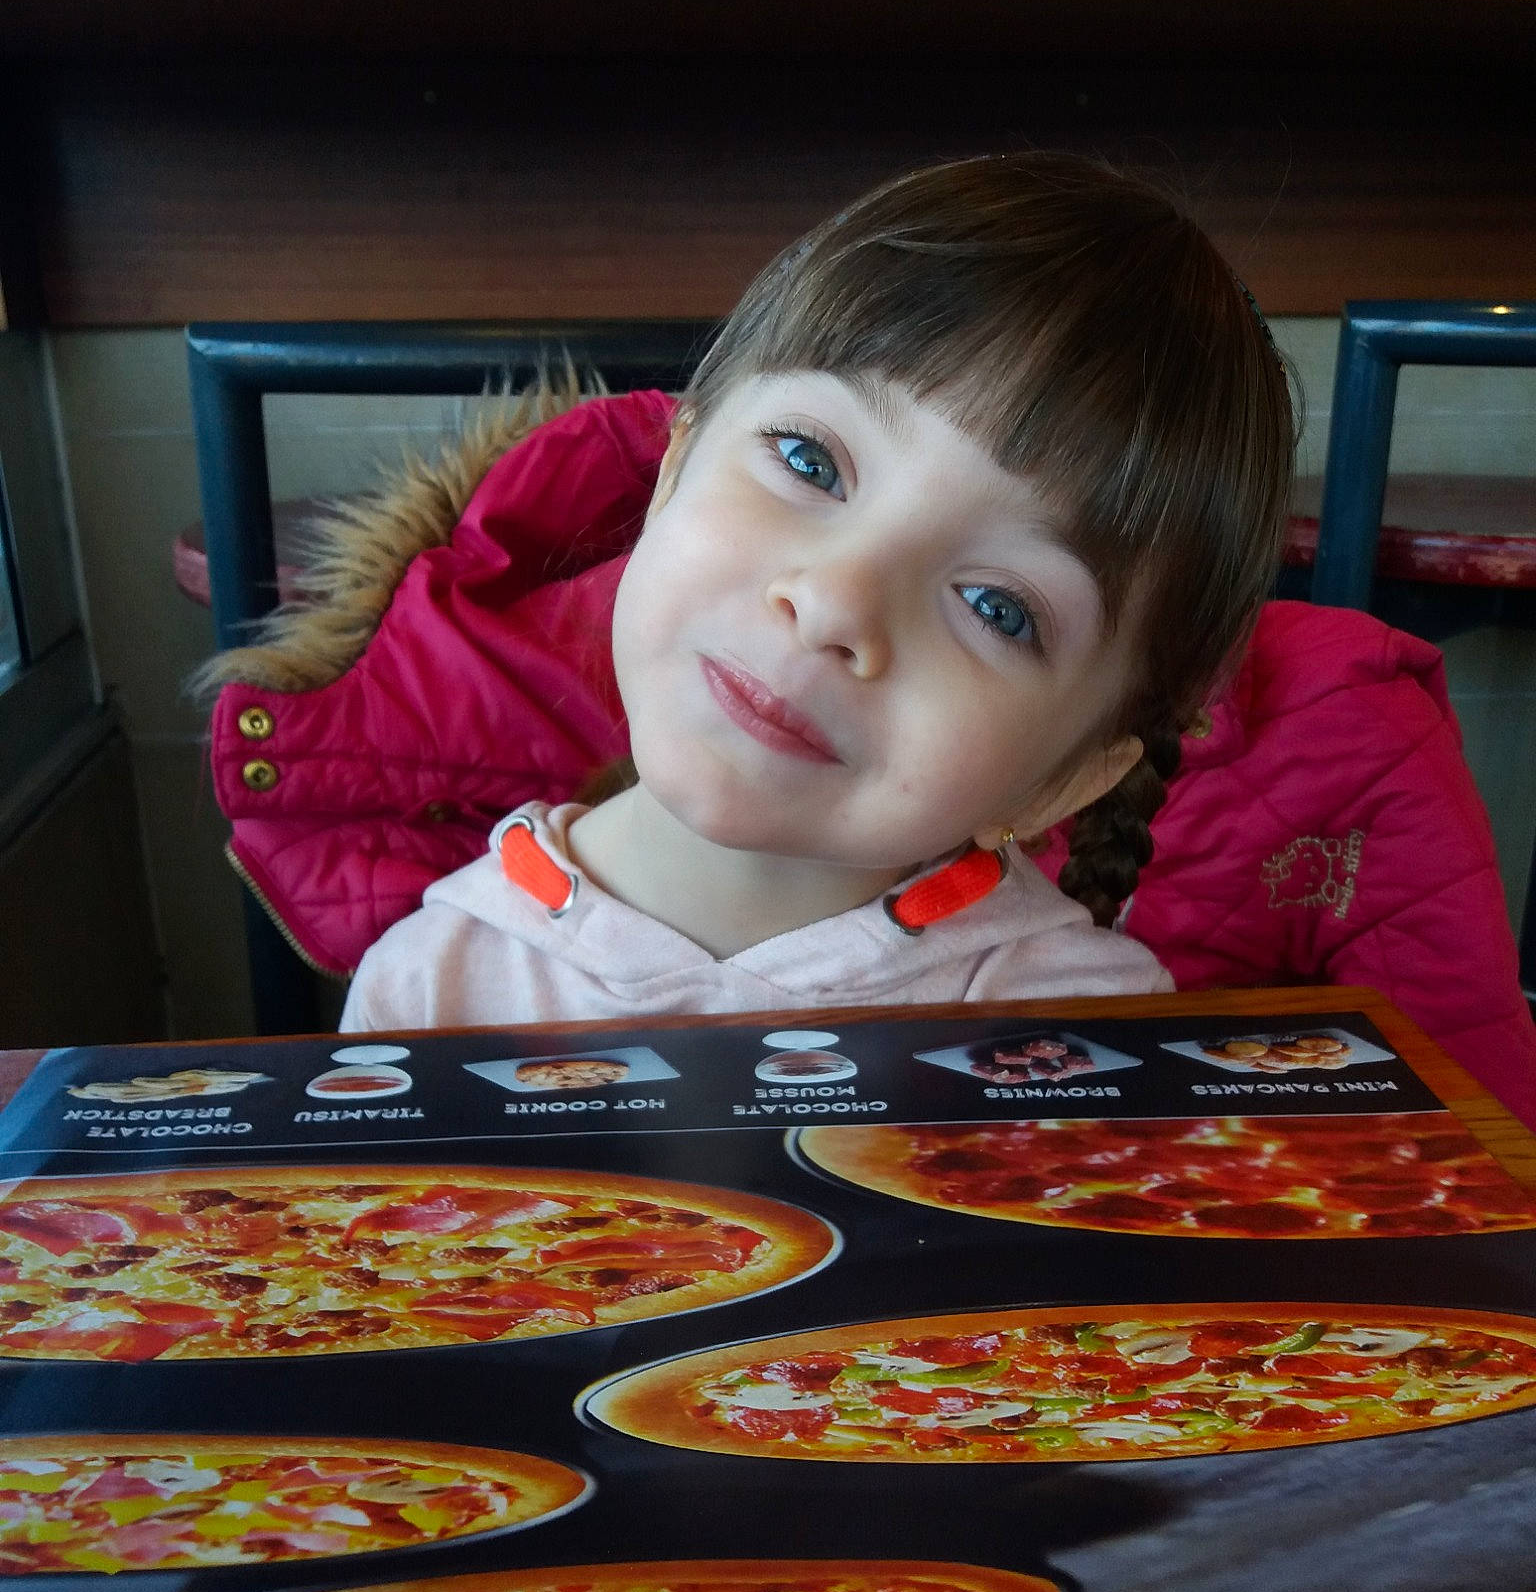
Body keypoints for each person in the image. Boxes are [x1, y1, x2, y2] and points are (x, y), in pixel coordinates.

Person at [336, 152, 1294, 1033]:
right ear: (673, 468)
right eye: (810, 461)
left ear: (1069, 780)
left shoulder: (1079, 1039)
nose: (836, 603)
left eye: (997, 607)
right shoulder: (428, 995)